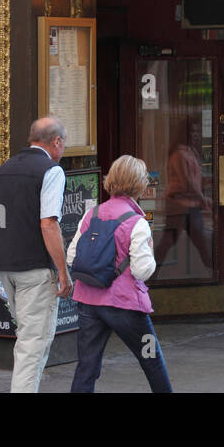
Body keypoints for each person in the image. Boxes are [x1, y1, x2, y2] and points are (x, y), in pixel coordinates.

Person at [0, 116, 71, 393]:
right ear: (56, 142)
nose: (63, 150)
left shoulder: (5, 169)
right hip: (35, 268)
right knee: (33, 344)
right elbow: (49, 224)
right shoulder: (51, 171)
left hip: (4, 265)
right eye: (63, 145)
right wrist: (63, 271)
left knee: (27, 338)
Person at [67, 154, 171, 393]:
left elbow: (72, 257)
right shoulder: (137, 222)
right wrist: (151, 253)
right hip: (126, 307)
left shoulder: (90, 214)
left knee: (87, 367)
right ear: (140, 185)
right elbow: (142, 270)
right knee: (151, 359)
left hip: (88, 303)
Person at [153, 143, 214, 274]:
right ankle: (150, 276)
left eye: (197, 130)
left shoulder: (191, 152)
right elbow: (187, 181)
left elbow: (193, 179)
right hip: (179, 205)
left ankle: (214, 272)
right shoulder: (179, 155)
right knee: (169, 241)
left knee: (200, 242)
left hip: (190, 205)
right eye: (193, 131)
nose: (196, 135)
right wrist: (203, 198)